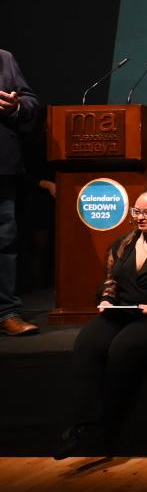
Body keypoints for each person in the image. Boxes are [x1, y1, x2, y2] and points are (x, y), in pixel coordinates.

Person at [57, 191, 147, 456]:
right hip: (126, 310)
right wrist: (108, 300)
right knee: (88, 342)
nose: (140, 218)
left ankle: (107, 422)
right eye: (136, 212)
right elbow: (111, 279)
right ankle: (82, 423)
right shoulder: (123, 244)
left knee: (124, 345)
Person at [0, 48, 41, 337]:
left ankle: (6, 313)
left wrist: (15, 106)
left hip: (2, 166)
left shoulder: (4, 58)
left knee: (4, 242)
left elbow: (30, 102)